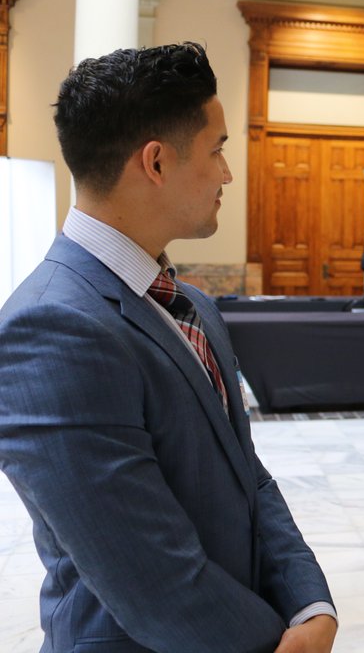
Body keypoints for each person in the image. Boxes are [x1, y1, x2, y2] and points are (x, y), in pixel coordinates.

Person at [0, 43, 336, 652]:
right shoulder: (50, 326)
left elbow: (248, 476)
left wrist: (310, 603)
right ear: (155, 162)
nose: (228, 174)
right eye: (218, 150)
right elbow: (149, 577)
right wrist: (281, 645)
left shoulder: (192, 302)